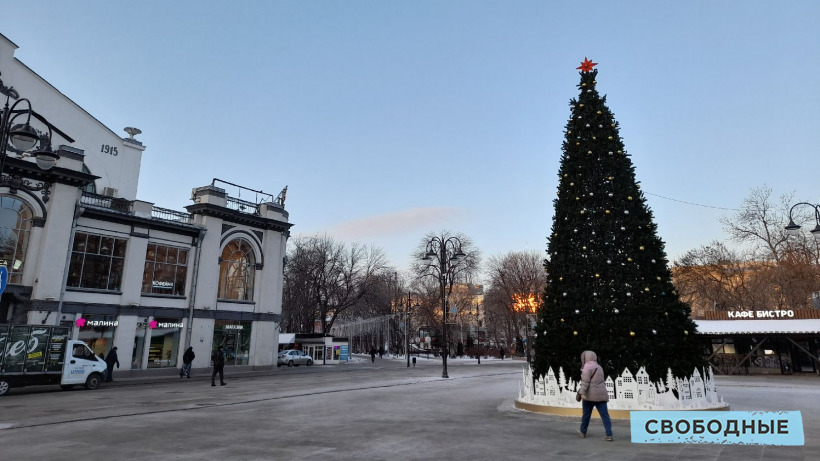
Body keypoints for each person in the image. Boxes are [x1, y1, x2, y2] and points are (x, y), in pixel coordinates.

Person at [576, 350, 613, 441]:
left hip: (589, 396)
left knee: (586, 415)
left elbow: (585, 383)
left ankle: (583, 432)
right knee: (605, 415)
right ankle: (609, 434)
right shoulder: (599, 367)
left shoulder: (586, 368)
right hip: (601, 395)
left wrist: (581, 393)